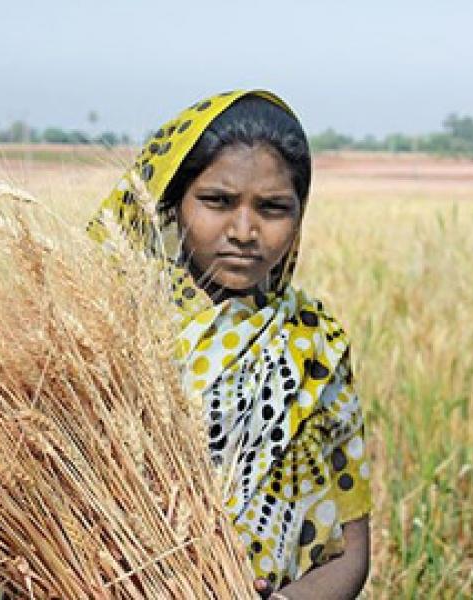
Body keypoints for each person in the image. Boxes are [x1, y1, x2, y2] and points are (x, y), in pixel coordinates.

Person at [87, 89, 372, 599]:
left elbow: (351, 550)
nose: (244, 231)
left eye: (273, 207)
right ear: (172, 205)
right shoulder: (103, 330)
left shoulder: (314, 343)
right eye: (217, 201)